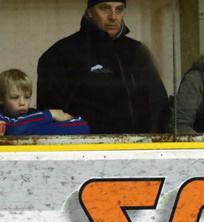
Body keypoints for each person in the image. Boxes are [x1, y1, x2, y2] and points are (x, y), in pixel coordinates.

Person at [37, 0, 169, 134]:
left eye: (119, 9)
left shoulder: (137, 52)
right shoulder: (61, 54)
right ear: (89, 12)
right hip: (86, 145)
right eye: (105, 8)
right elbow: (50, 119)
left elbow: (159, 108)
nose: (113, 17)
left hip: (141, 144)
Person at [0, 69, 90, 135]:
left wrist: (27, 131)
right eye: (15, 97)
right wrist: (51, 114)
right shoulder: (44, 116)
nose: (22, 103)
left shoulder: (34, 114)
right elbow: (13, 128)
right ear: (1, 99)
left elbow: (82, 126)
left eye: (27, 97)